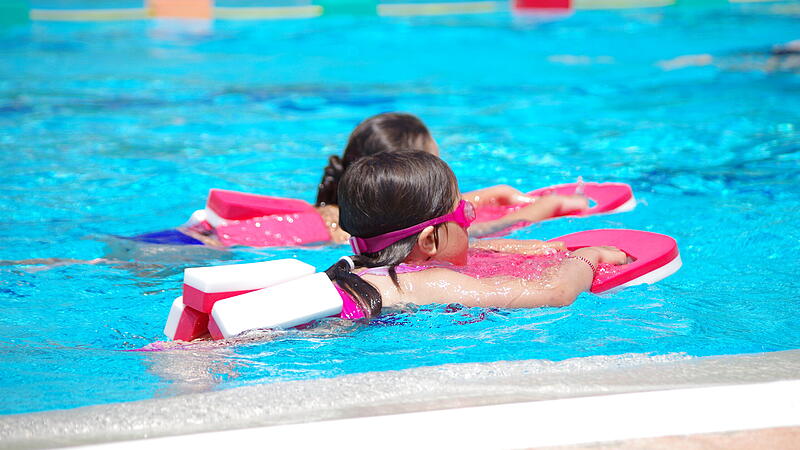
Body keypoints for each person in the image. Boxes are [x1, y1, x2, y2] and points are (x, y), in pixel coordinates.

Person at [325, 151, 627, 318]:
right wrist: (588, 256)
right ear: (429, 240)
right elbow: (556, 294)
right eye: (465, 215)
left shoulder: (355, 269)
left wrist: (499, 249)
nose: (469, 225)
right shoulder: (425, 282)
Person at [313, 112, 589, 241]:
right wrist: (542, 209)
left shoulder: (346, 214)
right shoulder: (359, 233)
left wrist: (492, 195)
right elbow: (477, 233)